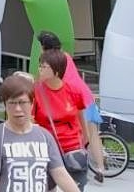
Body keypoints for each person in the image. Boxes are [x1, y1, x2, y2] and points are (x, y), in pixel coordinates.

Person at [0, 71, 82, 192]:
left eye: (22, 102)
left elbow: (60, 174)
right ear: (5, 105)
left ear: (32, 103)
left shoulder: (44, 137)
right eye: (12, 103)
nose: (18, 109)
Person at [38, 31, 105, 181]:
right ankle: (100, 168)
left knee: (78, 133)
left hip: (73, 100)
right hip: (86, 95)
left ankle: (76, 163)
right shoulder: (66, 56)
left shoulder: (51, 62)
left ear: (43, 47)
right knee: (93, 134)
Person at [34, 48, 95, 189]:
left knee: (76, 187)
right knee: (46, 187)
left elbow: (80, 114)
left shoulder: (73, 90)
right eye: (40, 66)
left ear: (56, 71)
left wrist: (86, 138)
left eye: (44, 67)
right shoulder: (35, 91)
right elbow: (30, 119)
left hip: (72, 146)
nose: (40, 70)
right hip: (46, 147)